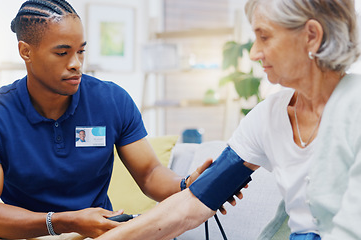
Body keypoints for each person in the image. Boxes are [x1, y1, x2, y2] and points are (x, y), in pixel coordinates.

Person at [95, 0, 361, 239]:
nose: (254, 53)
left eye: (264, 37)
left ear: (311, 36)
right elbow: (194, 201)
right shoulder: (268, 116)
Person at [0, 0, 214, 239]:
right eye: (62, 53)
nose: (76, 64)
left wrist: (185, 184)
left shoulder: (112, 100)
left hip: (103, 234)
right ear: (26, 52)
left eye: (81, 51)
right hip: (31, 234)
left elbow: (149, 174)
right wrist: (63, 221)